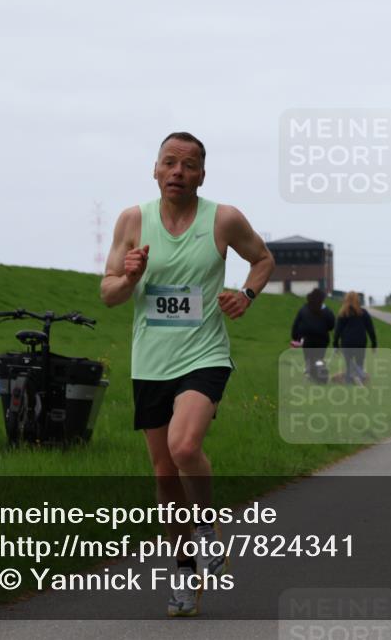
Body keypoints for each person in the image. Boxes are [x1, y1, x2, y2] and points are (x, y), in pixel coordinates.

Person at [100, 131, 274, 618]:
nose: (178, 171)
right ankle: (181, 573)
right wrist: (130, 277)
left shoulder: (224, 219)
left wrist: (247, 294)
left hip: (204, 355)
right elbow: (108, 293)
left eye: (189, 164)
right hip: (151, 362)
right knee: (163, 473)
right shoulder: (134, 221)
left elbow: (263, 259)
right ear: (154, 170)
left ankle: (206, 526)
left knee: (184, 447)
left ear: (202, 174)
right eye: (169, 162)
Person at [291, 288, 335, 381]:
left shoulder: (304, 309)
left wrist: (295, 337)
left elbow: (296, 324)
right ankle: (320, 376)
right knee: (319, 358)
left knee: (309, 359)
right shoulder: (327, 311)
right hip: (322, 340)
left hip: (308, 340)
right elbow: (331, 325)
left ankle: (309, 374)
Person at [333, 291, 377, 385]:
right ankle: (360, 379)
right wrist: (374, 344)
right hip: (360, 342)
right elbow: (371, 329)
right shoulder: (363, 313)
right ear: (358, 300)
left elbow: (337, 331)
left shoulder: (343, 313)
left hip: (347, 343)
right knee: (359, 363)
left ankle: (350, 383)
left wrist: (335, 344)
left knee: (349, 365)